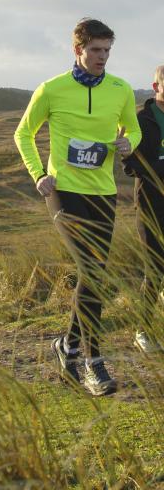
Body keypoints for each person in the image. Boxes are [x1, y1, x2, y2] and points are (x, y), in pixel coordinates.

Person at [14, 18, 141, 396]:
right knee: (92, 270)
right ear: (78, 50)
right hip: (63, 192)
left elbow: (133, 129)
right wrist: (38, 174)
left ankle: (66, 345)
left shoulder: (119, 90)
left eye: (107, 51)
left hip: (102, 193)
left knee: (95, 273)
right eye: (96, 50)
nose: (102, 57)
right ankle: (92, 362)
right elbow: (23, 132)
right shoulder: (52, 89)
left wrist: (127, 143)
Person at [122, 64, 164, 353]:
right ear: (155, 86)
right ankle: (143, 331)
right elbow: (130, 164)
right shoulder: (142, 120)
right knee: (155, 268)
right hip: (152, 203)